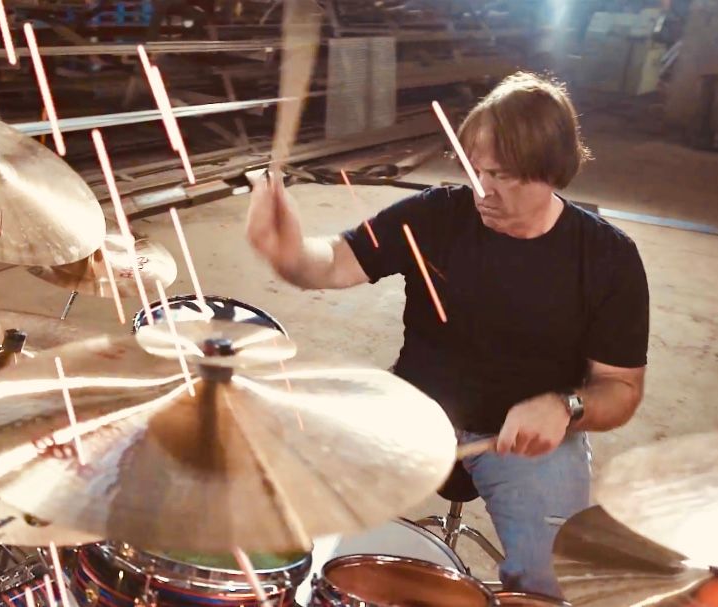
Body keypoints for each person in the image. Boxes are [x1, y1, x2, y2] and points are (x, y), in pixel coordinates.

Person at [245, 71, 649, 597]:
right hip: (411, 411)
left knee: (550, 581)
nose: (482, 190)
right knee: (296, 518)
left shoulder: (607, 258)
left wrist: (566, 407)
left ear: (551, 170)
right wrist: (290, 252)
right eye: (475, 169)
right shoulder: (435, 215)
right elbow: (333, 262)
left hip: (524, 440)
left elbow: (621, 388)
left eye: (501, 175)